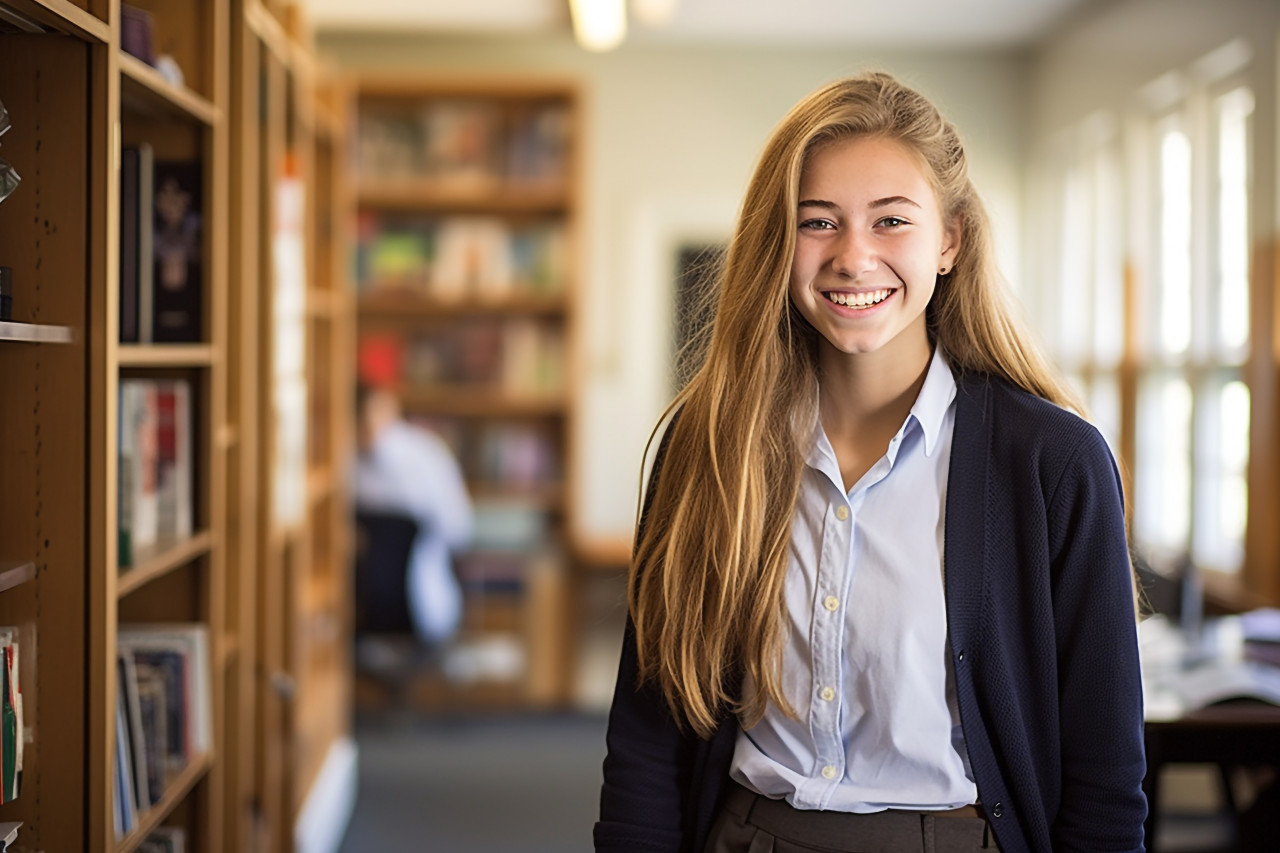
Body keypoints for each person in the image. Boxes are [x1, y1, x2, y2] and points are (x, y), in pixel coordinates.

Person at [595, 71, 1146, 853]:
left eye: (891, 220)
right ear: (777, 242)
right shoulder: (708, 444)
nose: (854, 256)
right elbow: (650, 734)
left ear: (949, 240)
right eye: (817, 221)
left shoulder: (1055, 462)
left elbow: (1105, 780)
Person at [353, 383, 474, 645]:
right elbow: (460, 531)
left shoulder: (424, 457)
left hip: (411, 603)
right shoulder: (345, 460)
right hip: (366, 606)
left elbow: (458, 530)